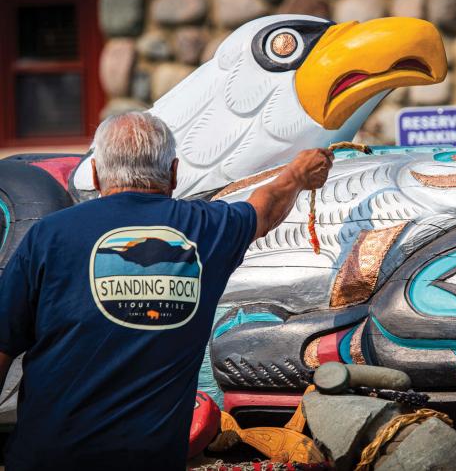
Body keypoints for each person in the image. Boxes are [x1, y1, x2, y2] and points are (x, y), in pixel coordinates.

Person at [0, 112, 333, 471]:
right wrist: (298, 175)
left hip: (45, 458)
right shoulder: (208, 229)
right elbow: (265, 209)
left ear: (95, 174)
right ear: (174, 173)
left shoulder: (48, 235)